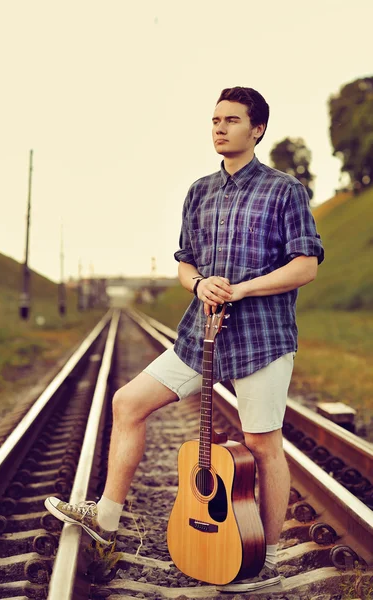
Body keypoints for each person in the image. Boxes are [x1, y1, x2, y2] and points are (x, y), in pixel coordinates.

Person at [45, 86, 324, 593]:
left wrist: (240, 288)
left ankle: (262, 554)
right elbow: (184, 263)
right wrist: (198, 284)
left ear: (257, 129)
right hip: (202, 334)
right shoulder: (198, 191)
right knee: (127, 402)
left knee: (262, 445)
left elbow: (305, 265)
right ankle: (106, 516)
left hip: (262, 337)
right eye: (215, 119)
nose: (219, 127)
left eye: (231, 120)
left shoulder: (285, 190)